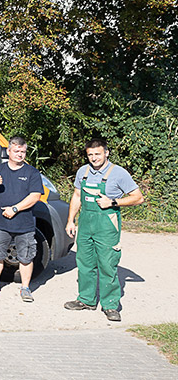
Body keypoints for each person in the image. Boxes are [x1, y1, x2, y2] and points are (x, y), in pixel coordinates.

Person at [64, 138, 143, 322]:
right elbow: (77, 196)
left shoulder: (119, 173)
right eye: (90, 155)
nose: (94, 158)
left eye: (97, 154)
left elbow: (138, 198)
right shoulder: (83, 172)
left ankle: (110, 305)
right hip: (85, 224)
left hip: (107, 225)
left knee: (108, 264)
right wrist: (70, 221)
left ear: (106, 153)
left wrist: (113, 202)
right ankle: (86, 300)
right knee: (84, 262)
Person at [0, 136, 43, 303]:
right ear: (8, 151)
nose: (19, 154)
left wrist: (15, 209)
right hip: (0, 223)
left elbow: (35, 196)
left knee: (26, 257)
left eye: (22, 152)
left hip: (25, 224)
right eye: (16, 151)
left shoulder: (32, 172)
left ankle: (25, 288)